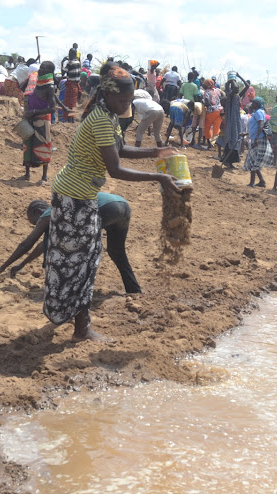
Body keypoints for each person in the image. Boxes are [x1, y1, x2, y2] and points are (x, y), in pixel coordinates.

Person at [45, 64, 180, 341]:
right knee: (82, 261)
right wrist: (159, 178)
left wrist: (157, 151)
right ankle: (81, 329)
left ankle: (70, 318)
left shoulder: (106, 116)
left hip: (78, 194)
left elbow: (119, 149)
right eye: (121, 100)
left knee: (77, 258)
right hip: (76, 197)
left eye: (129, 100)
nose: (125, 104)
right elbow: (116, 169)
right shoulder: (101, 120)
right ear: (108, 96)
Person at [0, 194, 143, 294]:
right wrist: (21, 265)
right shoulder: (61, 212)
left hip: (104, 209)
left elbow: (27, 244)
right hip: (122, 205)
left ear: (37, 212)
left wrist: (2, 267)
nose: (37, 225)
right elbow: (43, 245)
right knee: (117, 252)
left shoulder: (48, 214)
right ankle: (134, 290)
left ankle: (76, 293)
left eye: (34, 222)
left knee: (80, 248)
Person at [21, 64, 68, 183]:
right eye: (40, 67)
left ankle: (44, 176)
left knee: (44, 145)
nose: (40, 69)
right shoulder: (39, 83)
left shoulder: (49, 87)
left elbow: (52, 108)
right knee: (28, 144)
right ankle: (27, 174)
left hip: (42, 120)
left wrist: (34, 111)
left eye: (43, 68)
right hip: (31, 117)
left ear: (50, 71)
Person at [220, 71, 249, 167]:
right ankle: (228, 161)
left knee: (235, 138)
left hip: (236, 120)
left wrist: (239, 76)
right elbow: (234, 87)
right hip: (231, 121)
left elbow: (247, 86)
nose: (237, 88)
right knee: (231, 139)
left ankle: (230, 162)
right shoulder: (230, 96)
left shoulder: (237, 96)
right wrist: (232, 80)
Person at [243, 97, 272, 188]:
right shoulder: (256, 113)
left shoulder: (259, 112)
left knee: (253, 161)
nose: (252, 104)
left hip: (258, 139)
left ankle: (252, 182)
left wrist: (255, 138)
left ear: (257, 104)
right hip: (256, 138)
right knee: (253, 160)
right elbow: (255, 127)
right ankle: (261, 181)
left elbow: (261, 125)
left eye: (254, 103)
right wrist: (247, 133)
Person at [61, 48, 81, 122]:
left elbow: (63, 72)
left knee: (68, 104)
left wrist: (62, 62)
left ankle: (70, 121)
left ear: (71, 54)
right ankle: (72, 120)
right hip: (76, 86)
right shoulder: (78, 62)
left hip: (71, 86)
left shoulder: (70, 63)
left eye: (69, 54)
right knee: (73, 104)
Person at [201, 78, 222, 147]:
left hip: (211, 111)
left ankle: (209, 143)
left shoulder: (206, 92)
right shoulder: (217, 90)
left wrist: (203, 103)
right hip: (219, 111)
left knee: (207, 127)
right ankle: (216, 143)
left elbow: (206, 102)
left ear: (207, 85)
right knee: (216, 127)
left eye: (204, 84)